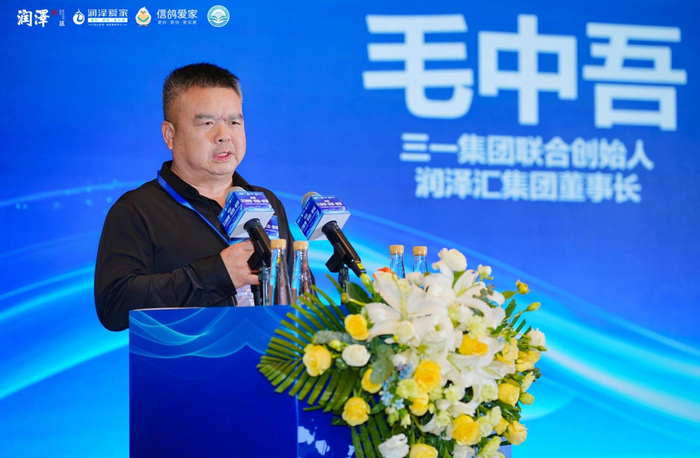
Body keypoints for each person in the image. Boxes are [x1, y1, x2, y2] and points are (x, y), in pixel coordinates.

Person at [95, 63, 293, 331]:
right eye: (207, 123)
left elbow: (297, 292)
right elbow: (114, 305)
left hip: (274, 354)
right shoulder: (137, 210)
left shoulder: (266, 201)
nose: (224, 136)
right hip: (188, 356)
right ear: (170, 134)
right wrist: (216, 274)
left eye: (234, 122)